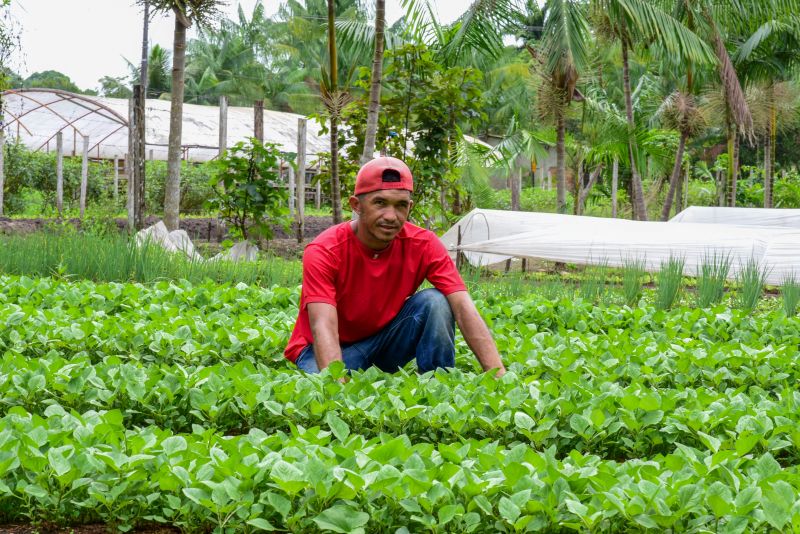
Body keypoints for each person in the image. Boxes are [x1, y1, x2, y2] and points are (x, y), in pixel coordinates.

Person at [284, 156, 506, 377]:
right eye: (379, 203)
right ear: (356, 205)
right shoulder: (325, 250)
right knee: (323, 377)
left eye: (400, 206)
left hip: (383, 343)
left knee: (435, 301)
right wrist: (337, 386)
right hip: (322, 349)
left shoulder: (424, 244)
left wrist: (498, 375)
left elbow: (463, 307)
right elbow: (323, 324)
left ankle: (438, 382)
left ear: (410, 207)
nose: (391, 216)